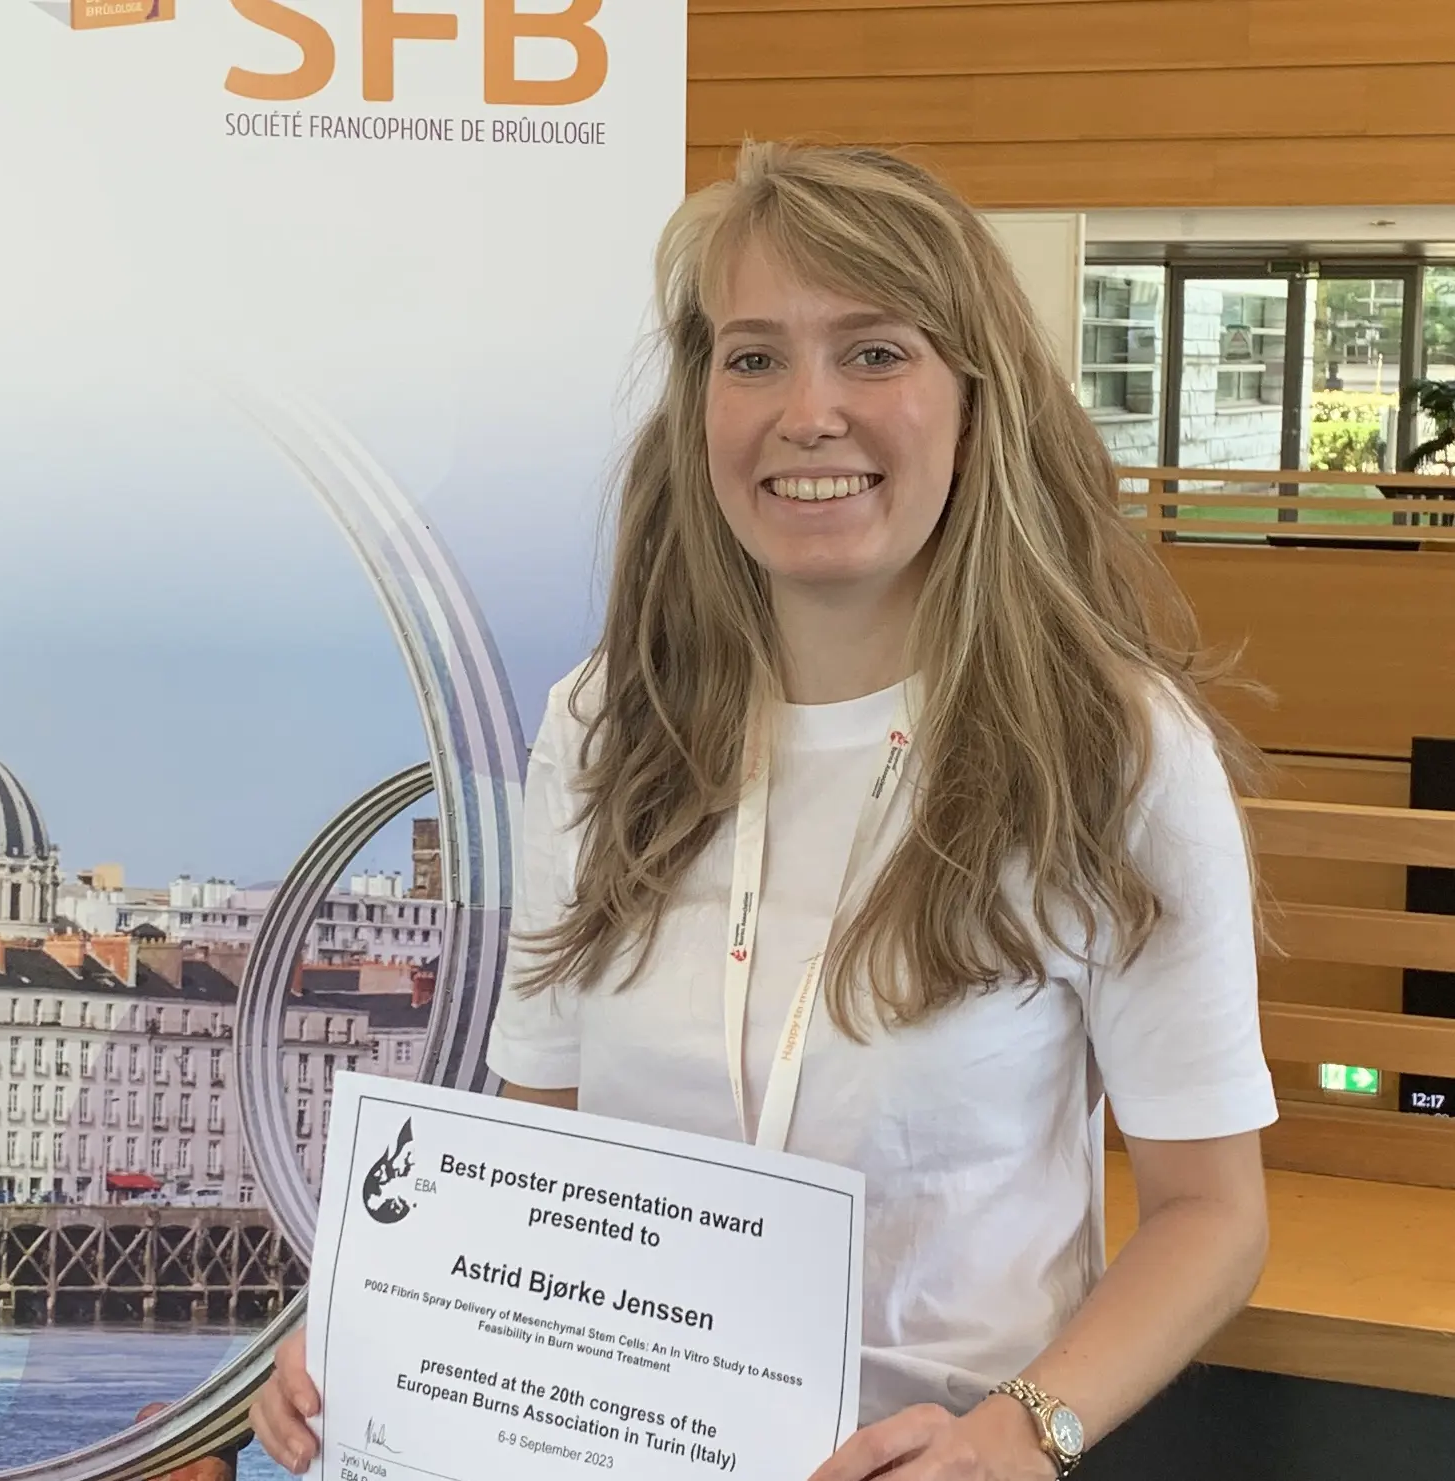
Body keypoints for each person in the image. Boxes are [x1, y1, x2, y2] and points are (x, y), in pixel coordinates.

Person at [248, 141, 1277, 1481]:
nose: (809, 412)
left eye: (874, 352)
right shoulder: (609, 726)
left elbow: (1213, 1216)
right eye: (753, 358)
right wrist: (386, 1330)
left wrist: (1024, 1433)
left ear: (977, 400)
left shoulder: (1111, 752)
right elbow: (537, 1134)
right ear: (698, 408)